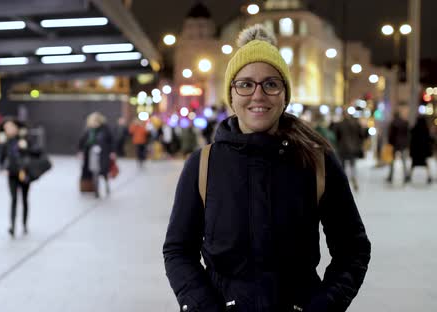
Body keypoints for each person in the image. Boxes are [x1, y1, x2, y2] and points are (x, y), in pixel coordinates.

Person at [163, 25, 371, 312]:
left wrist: (324, 305)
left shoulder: (316, 161)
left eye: (271, 84)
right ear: (231, 95)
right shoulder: (203, 165)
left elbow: (352, 249)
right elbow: (178, 250)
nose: (258, 95)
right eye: (245, 84)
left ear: (284, 94)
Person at [0, 118, 36, 237]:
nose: (8, 129)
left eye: (10, 127)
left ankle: (24, 224)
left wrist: (25, 147)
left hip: (24, 172)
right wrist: (2, 169)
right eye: (6, 127)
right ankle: (12, 226)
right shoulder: (5, 141)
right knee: (13, 199)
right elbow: (0, 157)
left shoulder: (25, 139)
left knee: (24, 199)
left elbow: (36, 152)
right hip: (12, 173)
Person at [78, 112, 115, 198]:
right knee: (94, 171)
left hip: (103, 153)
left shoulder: (105, 129)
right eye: (93, 121)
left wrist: (112, 152)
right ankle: (95, 189)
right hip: (91, 154)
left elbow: (111, 141)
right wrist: (80, 151)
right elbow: (82, 141)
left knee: (104, 171)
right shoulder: (88, 130)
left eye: (96, 121)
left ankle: (106, 185)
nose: (94, 123)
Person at [333, 110, 364, 191]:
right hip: (353, 148)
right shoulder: (355, 124)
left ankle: (343, 183)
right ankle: (354, 178)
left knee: (342, 166)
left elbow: (336, 136)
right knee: (353, 165)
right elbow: (361, 135)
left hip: (342, 148)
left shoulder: (339, 124)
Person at [408, 116, 434, 184]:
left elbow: (411, 140)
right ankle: (429, 177)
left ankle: (410, 176)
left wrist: (411, 151)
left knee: (413, 164)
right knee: (425, 164)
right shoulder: (426, 129)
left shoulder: (414, 129)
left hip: (416, 151)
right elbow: (429, 140)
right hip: (423, 152)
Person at [386, 111, 409, 183]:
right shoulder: (405, 122)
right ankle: (405, 176)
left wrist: (390, 143)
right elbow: (407, 134)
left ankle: (390, 176)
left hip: (395, 144)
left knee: (392, 161)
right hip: (403, 144)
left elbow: (390, 135)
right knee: (404, 161)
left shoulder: (393, 123)